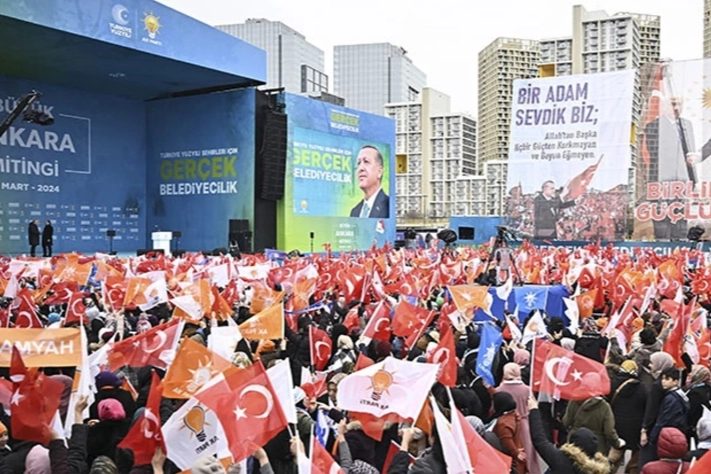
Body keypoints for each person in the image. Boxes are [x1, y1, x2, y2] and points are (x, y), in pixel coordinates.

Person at [642, 96, 696, 240]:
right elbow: (656, 155)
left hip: (682, 180)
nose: (677, 107)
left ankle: (681, 246)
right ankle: (663, 246)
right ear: (664, 106)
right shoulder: (653, 126)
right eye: (673, 104)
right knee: (662, 218)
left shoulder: (687, 125)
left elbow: (690, 154)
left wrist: (693, 179)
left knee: (680, 216)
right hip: (662, 181)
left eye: (680, 104)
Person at [350, 145, 389, 218]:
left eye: (366, 161)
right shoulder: (355, 212)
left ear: (379, 172)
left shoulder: (389, 205)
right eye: (359, 163)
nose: (360, 168)